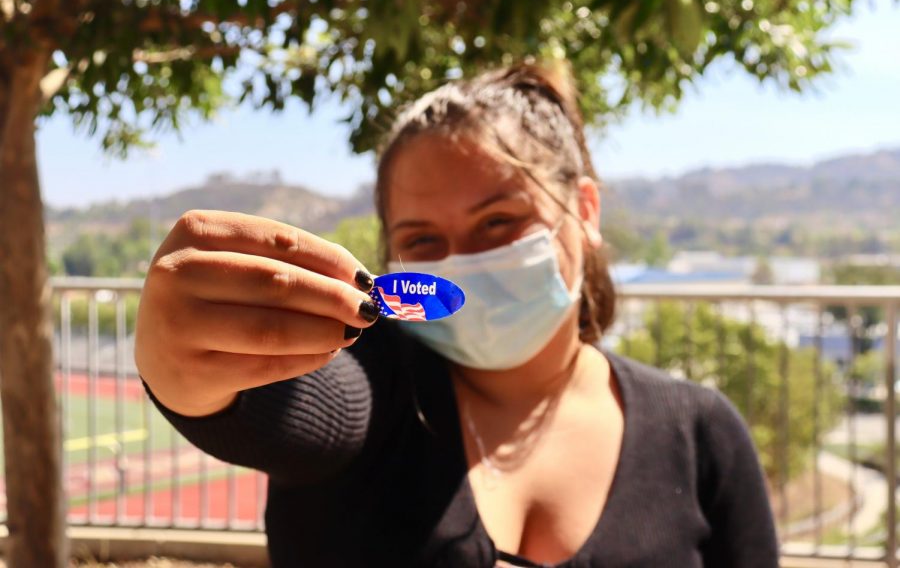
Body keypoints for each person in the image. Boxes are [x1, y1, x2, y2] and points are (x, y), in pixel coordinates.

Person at [134, 61, 779, 567]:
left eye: (499, 222)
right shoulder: (378, 383)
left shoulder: (701, 434)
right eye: (421, 241)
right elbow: (308, 407)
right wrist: (188, 376)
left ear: (585, 210)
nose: (463, 261)